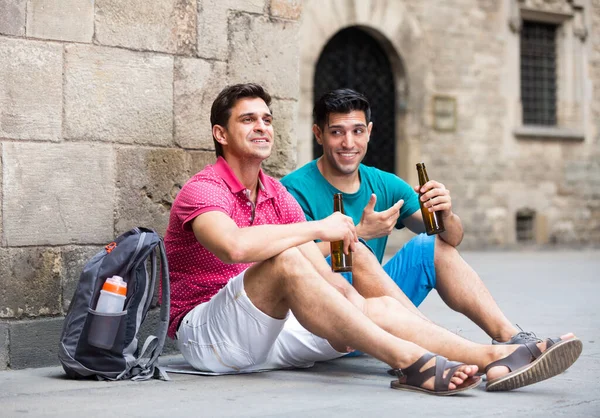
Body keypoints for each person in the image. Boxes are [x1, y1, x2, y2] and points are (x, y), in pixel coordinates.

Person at [164, 83, 581, 395]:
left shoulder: (275, 192)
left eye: (267, 119)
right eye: (248, 120)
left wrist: (361, 307)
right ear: (221, 134)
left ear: (370, 133)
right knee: (292, 256)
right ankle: (411, 362)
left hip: (275, 332)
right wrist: (327, 229)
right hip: (210, 339)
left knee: (370, 296)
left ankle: (495, 354)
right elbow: (235, 246)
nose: (262, 127)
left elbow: (445, 236)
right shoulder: (204, 189)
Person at [281, 88, 546, 346]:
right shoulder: (293, 189)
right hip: (325, 319)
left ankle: (509, 338)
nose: (348, 143)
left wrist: (446, 214)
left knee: (431, 247)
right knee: (359, 253)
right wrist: (359, 233)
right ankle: (437, 344)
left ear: (369, 132)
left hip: (379, 309)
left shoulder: (385, 183)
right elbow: (295, 258)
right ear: (318, 134)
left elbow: (450, 239)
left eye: (357, 131)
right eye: (337, 132)